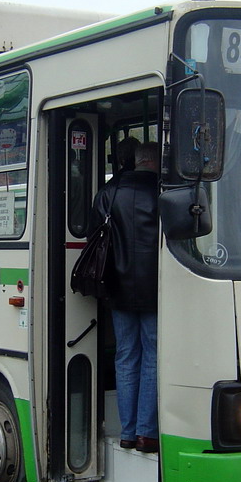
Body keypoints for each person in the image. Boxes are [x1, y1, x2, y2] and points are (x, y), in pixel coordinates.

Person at [88, 141, 160, 453]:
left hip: (117, 287)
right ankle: (147, 433)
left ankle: (127, 433)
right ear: (155, 163)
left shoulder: (108, 192)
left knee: (126, 355)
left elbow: (96, 238)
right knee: (153, 357)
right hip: (156, 289)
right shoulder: (164, 191)